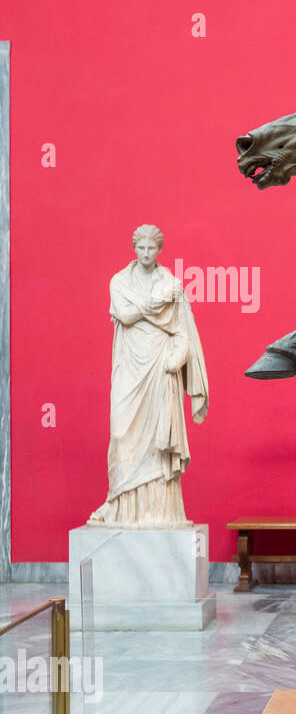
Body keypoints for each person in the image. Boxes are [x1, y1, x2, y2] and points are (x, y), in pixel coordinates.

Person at [87, 224, 209, 528]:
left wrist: (176, 357)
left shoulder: (170, 282)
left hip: (159, 366)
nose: (145, 253)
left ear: (159, 250)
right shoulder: (120, 282)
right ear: (133, 247)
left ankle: (159, 511)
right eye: (140, 247)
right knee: (121, 433)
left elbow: (183, 335)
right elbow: (125, 316)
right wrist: (158, 301)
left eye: (151, 248)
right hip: (130, 366)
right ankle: (119, 502)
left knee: (157, 443)